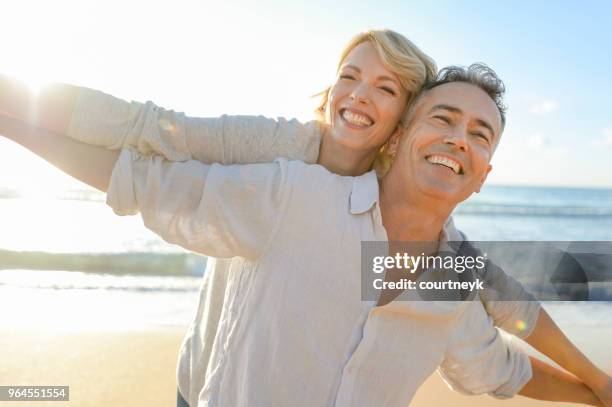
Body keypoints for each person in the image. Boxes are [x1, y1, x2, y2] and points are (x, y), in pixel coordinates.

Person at [1, 30, 611, 406]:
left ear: (484, 174)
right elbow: (143, 158)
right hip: (209, 379)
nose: (459, 140)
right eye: (444, 118)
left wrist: (595, 387)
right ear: (401, 139)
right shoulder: (289, 177)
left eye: (481, 135)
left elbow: (505, 343)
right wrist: (13, 114)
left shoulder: (451, 274)